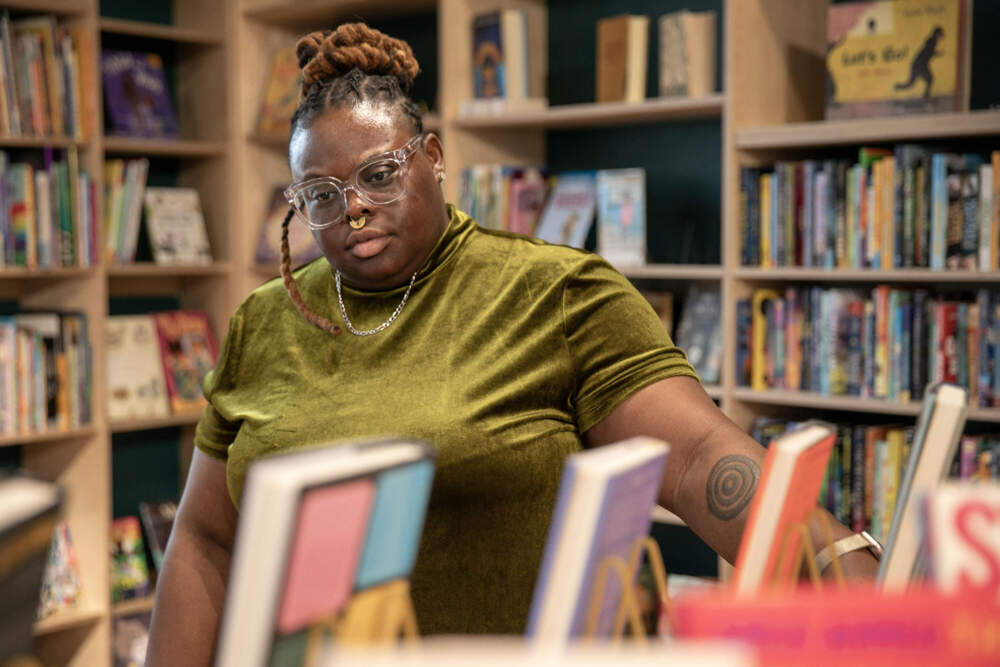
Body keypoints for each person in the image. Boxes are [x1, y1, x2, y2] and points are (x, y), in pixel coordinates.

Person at [145, 23, 878, 665]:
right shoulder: (262, 323)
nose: (355, 210)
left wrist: (834, 565)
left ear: (432, 157)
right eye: (323, 196)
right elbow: (207, 538)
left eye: (378, 175)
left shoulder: (555, 293)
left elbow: (695, 463)